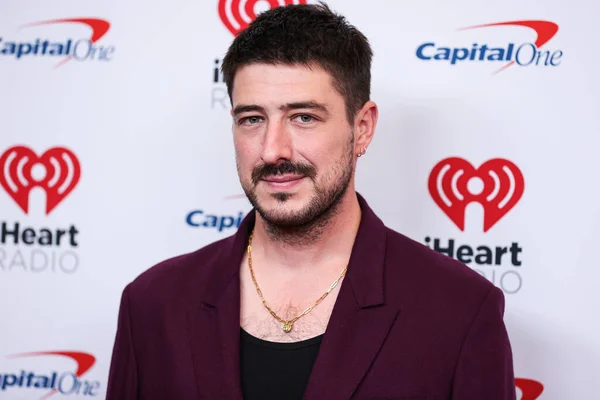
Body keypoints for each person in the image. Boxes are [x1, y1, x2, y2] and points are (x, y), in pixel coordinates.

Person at [106, 3, 516, 399]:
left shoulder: (460, 311)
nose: (272, 151)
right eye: (252, 119)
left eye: (303, 117)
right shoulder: (152, 304)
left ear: (363, 128)